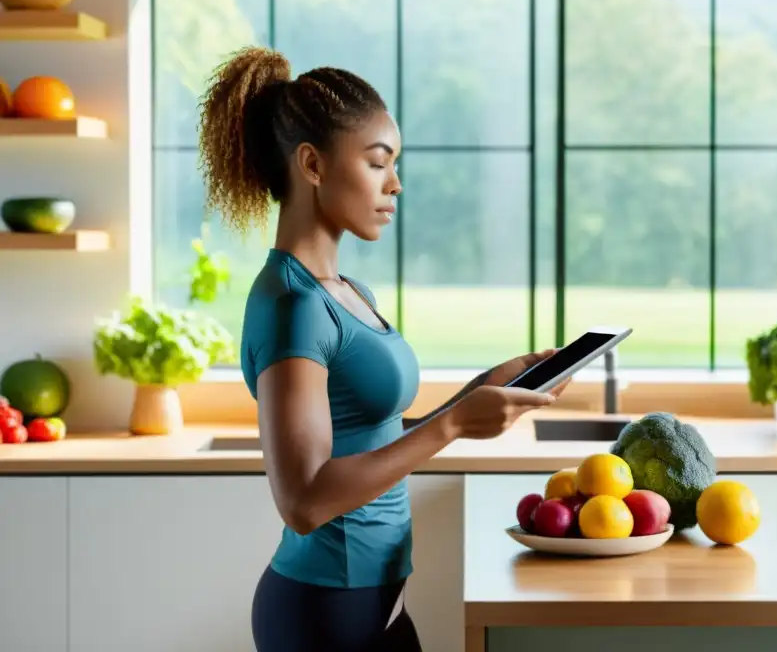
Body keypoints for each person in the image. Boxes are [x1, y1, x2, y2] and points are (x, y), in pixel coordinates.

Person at [195, 46, 567, 652]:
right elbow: (305, 502)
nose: (395, 183)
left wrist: (481, 395)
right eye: (377, 163)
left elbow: (373, 435)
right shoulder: (293, 307)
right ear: (312, 165)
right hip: (323, 614)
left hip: (378, 600)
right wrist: (450, 427)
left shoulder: (345, 292)